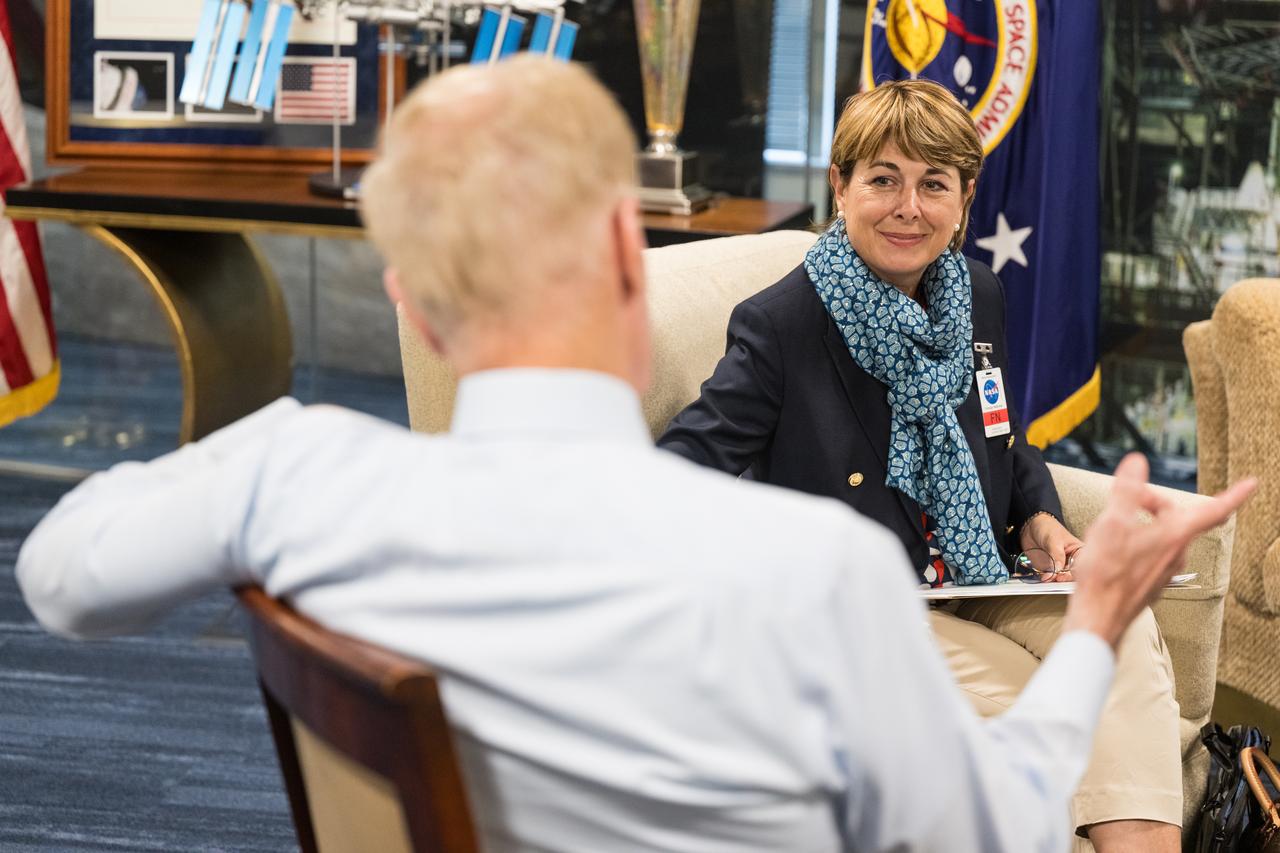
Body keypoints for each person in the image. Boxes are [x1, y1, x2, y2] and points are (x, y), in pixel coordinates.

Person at [17, 58, 1252, 853]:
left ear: (410, 300)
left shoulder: (297, 478)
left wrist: (250, 468)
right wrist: (1092, 619)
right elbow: (993, 827)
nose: (911, 206)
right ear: (626, 252)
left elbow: (60, 576)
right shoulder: (815, 570)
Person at [657, 80, 1183, 851]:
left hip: (974, 573)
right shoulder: (781, 325)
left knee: (1123, 632)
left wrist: (1036, 512)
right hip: (865, 612)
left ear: (965, 198)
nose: (908, 207)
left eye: (933, 184)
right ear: (840, 187)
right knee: (1072, 699)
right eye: (882, 179)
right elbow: (677, 471)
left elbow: (1002, 434)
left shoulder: (977, 293)